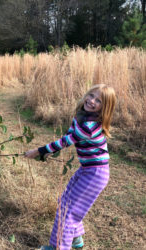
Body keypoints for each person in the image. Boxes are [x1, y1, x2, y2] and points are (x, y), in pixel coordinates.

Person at [24, 84, 116, 250]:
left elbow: (66, 141)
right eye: (91, 95)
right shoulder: (83, 116)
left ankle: (58, 246)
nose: (92, 101)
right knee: (65, 202)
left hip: (95, 174)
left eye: (98, 101)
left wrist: (39, 151)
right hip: (87, 170)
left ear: (105, 107)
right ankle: (75, 239)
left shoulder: (90, 127)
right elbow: (69, 134)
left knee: (68, 212)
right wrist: (48, 151)